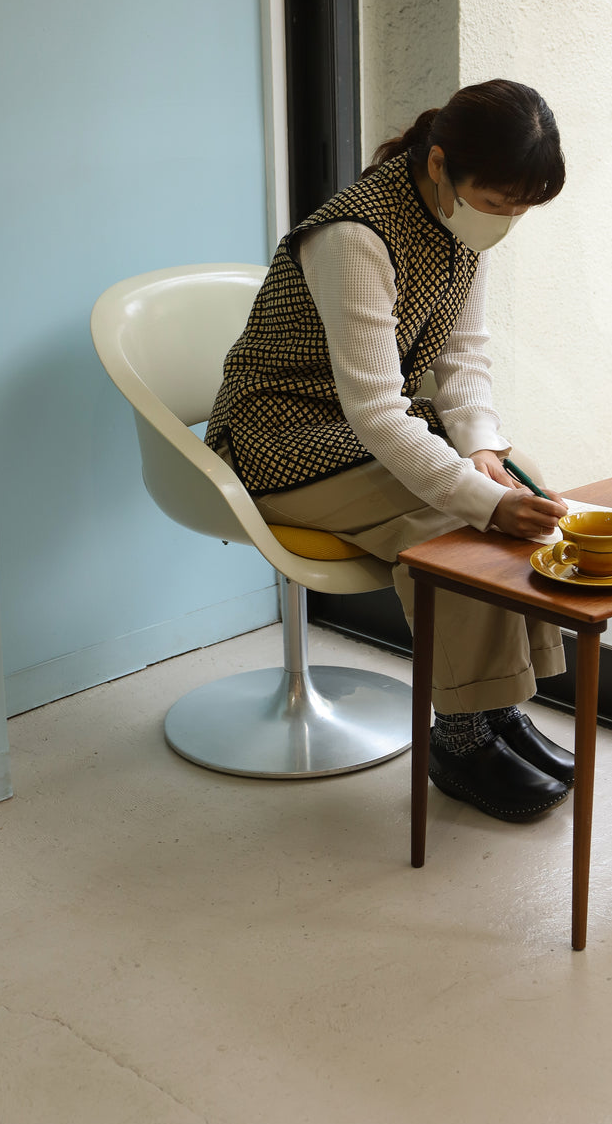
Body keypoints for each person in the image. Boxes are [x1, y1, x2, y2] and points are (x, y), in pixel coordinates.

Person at [206, 79, 574, 822]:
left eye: (520, 209)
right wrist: (481, 499)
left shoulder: (461, 225)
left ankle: (496, 707)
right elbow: (377, 410)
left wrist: (484, 451)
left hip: (353, 431)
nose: (506, 221)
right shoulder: (353, 236)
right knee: (458, 524)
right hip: (278, 438)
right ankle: (461, 736)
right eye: (497, 203)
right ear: (439, 164)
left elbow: (464, 358)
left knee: (518, 486)